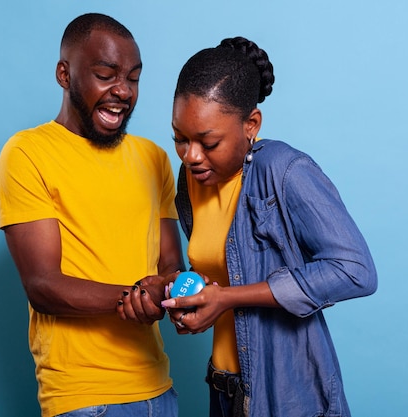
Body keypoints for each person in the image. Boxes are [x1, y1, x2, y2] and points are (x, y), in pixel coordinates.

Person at [160, 37, 378, 417]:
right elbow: (226, 265)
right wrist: (194, 301)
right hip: (224, 391)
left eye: (208, 142)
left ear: (251, 124)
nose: (191, 155)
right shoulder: (190, 181)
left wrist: (226, 298)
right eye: (180, 138)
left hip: (288, 397)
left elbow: (356, 271)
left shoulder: (284, 170)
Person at [0, 13, 184, 417]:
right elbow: (42, 285)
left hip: (160, 391)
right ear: (64, 74)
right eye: (105, 74)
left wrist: (177, 291)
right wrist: (134, 296)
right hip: (84, 398)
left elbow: (170, 263)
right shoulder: (27, 154)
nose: (122, 91)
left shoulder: (154, 160)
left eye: (133, 78)